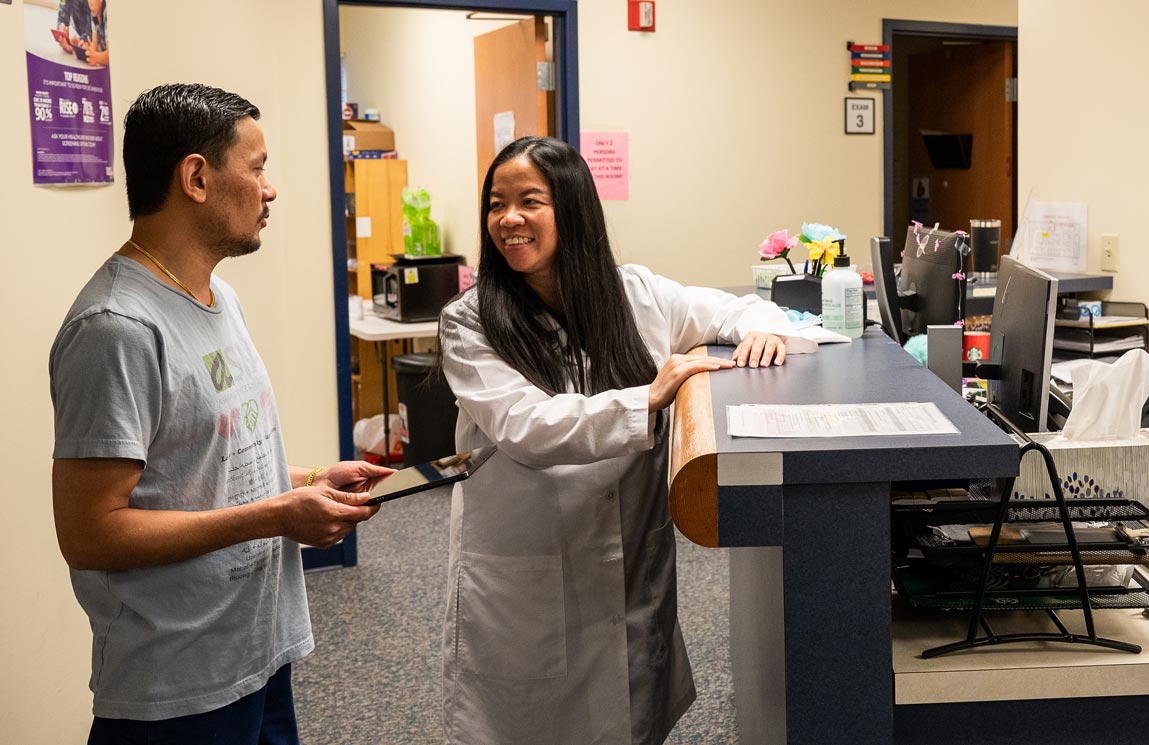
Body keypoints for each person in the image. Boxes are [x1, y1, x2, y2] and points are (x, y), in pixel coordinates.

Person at [50, 83, 390, 744]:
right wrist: (276, 516)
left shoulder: (219, 297)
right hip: (176, 690)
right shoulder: (115, 327)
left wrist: (311, 478)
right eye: (257, 168)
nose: (270, 189)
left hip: (257, 653)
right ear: (197, 178)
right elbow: (90, 532)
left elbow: (205, 461)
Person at [437, 136, 791, 745]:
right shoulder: (470, 322)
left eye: (529, 201)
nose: (508, 219)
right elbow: (526, 427)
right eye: (496, 204)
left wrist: (766, 333)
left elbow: (740, 311)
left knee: (628, 721)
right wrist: (647, 397)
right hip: (530, 570)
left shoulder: (637, 295)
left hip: (627, 560)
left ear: (572, 208)